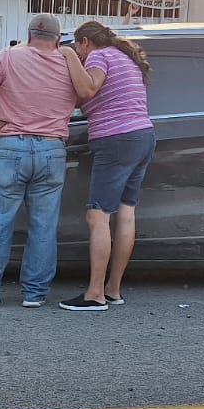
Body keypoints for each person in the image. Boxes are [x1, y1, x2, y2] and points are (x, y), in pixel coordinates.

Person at [0, 13, 78, 309]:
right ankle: (35, 293)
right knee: (43, 225)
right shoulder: (68, 63)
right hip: (52, 150)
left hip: (11, 147)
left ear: (29, 35)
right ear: (58, 38)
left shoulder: (9, 56)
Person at [54, 21, 156, 311]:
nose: (78, 53)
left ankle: (95, 294)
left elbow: (88, 89)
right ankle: (113, 289)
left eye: (78, 46)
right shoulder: (124, 56)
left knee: (97, 216)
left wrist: (69, 55)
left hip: (116, 140)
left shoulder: (99, 55)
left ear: (85, 41)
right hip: (142, 136)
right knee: (125, 214)